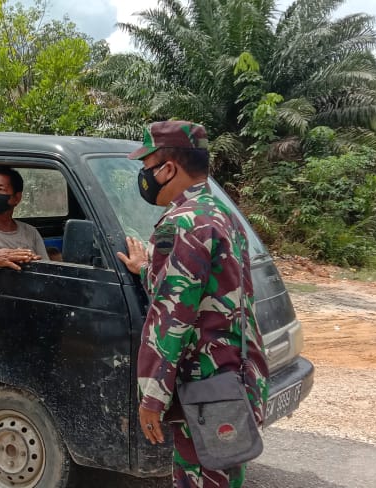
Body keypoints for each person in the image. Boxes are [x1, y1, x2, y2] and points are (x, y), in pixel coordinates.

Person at [115, 121, 269, 488]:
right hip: (235, 374)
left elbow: (172, 318)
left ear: (168, 168)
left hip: (205, 384)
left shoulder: (181, 223)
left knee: (199, 478)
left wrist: (152, 394)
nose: (144, 176)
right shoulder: (220, 213)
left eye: (147, 166)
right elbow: (206, 288)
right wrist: (146, 268)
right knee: (223, 472)